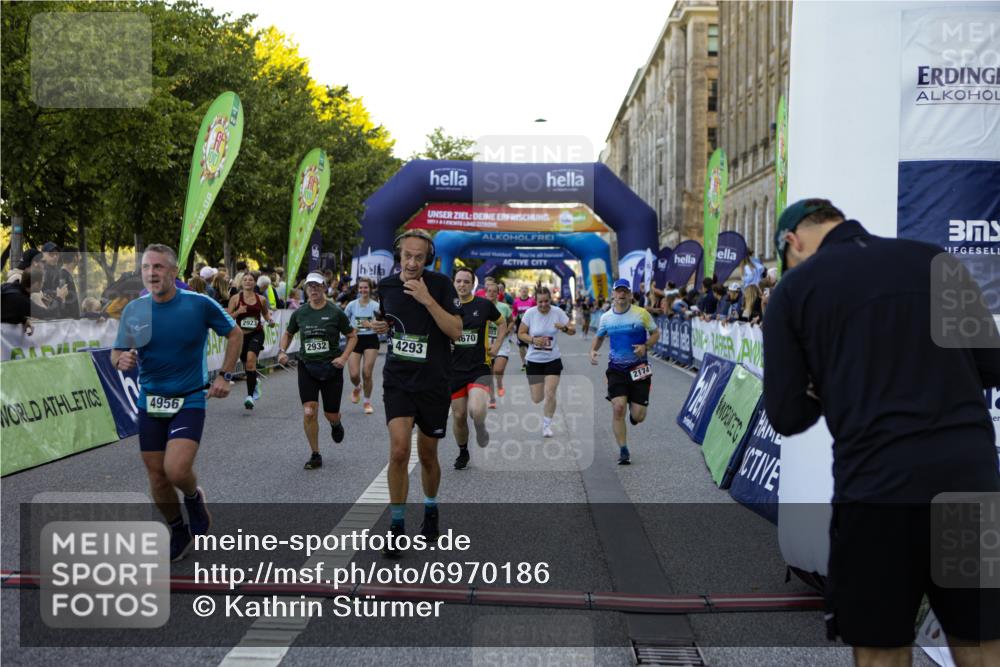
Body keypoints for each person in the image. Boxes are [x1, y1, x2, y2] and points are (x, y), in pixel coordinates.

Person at [763, 198, 1000, 666]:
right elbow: (992, 367)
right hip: (967, 482)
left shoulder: (796, 291)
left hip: (879, 489)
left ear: (793, 241)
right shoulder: (934, 260)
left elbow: (788, 417)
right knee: (982, 642)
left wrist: (827, 377)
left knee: (881, 649)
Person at [112, 244, 241, 562]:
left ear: (173, 272)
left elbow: (235, 333)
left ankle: (194, 498)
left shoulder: (199, 304)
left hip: (189, 398)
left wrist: (224, 375)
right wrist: (122, 360)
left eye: (158, 267)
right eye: (146, 267)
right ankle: (177, 529)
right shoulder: (134, 310)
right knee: (156, 476)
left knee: (176, 469)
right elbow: (117, 352)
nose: (151, 273)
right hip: (150, 401)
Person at [370, 229, 461, 555]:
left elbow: (455, 330)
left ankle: (431, 507)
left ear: (428, 259)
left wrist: (426, 299)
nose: (411, 262)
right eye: (406, 256)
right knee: (398, 451)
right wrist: (383, 327)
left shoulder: (440, 285)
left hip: (434, 381)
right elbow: (389, 319)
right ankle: (396, 526)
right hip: (398, 378)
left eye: (418, 257)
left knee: (427, 455)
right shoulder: (388, 286)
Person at [277, 272, 356, 470]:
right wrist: (281, 351)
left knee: (331, 413)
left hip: (331, 367)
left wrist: (344, 357)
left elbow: (352, 336)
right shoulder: (300, 313)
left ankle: (335, 423)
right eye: (309, 286)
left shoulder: (335, 312)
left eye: (317, 286)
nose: (313, 289)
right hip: (307, 367)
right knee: (309, 411)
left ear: (324, 288)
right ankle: (315, 454)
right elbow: (288, 333)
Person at [590, 279, 659, 465]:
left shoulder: (641, 314)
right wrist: (593, 351)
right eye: (618, 291)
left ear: (629, 294)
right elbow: (599, 337)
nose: (621, 295)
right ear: (613, 294)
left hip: (639, 369)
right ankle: (623, 450)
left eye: (624, 292)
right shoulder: (606, 318)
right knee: (618, 407)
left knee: (638, 416)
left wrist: (646, 346)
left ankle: (634, 413)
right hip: (616, 369)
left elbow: (655, 333)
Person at [450, 267, 506, 470]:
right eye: (459, 281)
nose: (462, 285)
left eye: (466, 281)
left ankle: (480, 427)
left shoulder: (483, 305)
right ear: (454, 283)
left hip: (479, 366)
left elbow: (502, 323)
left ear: (472, 284)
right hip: (454, 369)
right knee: (458, 416)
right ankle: (463, 451)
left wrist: (497, 345)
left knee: (477, 410)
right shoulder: (445, 306)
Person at [518, 286, 575, 438]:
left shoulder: (557, 312)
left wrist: (563, 328)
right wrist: (533, 339)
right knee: (537, 398)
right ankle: (542, 400)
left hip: (552, 359)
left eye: (546, 301)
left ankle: (546, 425)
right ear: (535, 301)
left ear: (551, 300)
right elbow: (521, 333)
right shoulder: (530, 313)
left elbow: (572, 330)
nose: (543, 305)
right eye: (540, 302)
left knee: (550, 393)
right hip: (534, 360)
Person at [228, 272, 275, 409]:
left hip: (256, 333)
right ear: (242, 282)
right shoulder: (236, 298)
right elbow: (228, 316)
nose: (248, 282)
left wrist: (270, 321)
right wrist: (238, 312)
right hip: (241, 336)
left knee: (250, 360)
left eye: (251, 280)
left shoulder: (261, 299)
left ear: (254, 283)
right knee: (247, 364)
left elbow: (266, 314)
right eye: (245, 279)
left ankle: (249, 397)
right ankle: (255, 381)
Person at [344, 277, 380, 415]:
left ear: (370, 289)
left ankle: (366, 401)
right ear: (358, 289)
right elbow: (343, 321)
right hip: (355, 340)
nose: (363, 290)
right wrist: (351, 329)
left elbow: (382, 326)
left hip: (371, 340)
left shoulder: (376, 306)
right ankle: (357, 387)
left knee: (366, 372)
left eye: (365, 287)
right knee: (354, 374)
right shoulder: (352, 305)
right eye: (361, 288)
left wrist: (370, 325)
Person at [485, 281, 513, 410]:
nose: (491, 293)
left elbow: (511, 321)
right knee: (489, 373)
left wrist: (507, 330)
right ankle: (492, 399)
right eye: (489, 291)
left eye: (494, 291)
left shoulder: (504, 307)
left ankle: (500, 384)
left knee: (498, 370)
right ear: (486, 292)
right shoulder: (480, 306)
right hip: (487, 343)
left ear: (498, 293)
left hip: (501, 342)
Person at [512, 286, 536, 371]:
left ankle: (531, 361)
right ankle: (524, 363)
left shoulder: (532, 301)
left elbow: (536, 311)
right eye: (523, 290)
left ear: (528, 291)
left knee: (530, 344)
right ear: (520, 291)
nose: (524, 291)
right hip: (520, 327)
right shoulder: (516, 301)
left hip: (531, 327)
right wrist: (514, 317)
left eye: (526, 290)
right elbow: (514, 312)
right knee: (521, 346)